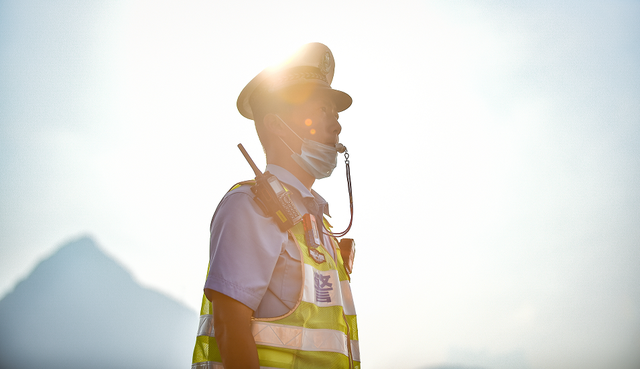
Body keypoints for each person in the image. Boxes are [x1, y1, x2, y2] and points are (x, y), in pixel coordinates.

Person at [191, 43, 360, 369]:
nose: (336, 125)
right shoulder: (249, 209)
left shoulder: (316, 224)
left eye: (335, 114)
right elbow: (231, 329)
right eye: (321, 110)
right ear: (277, 125)